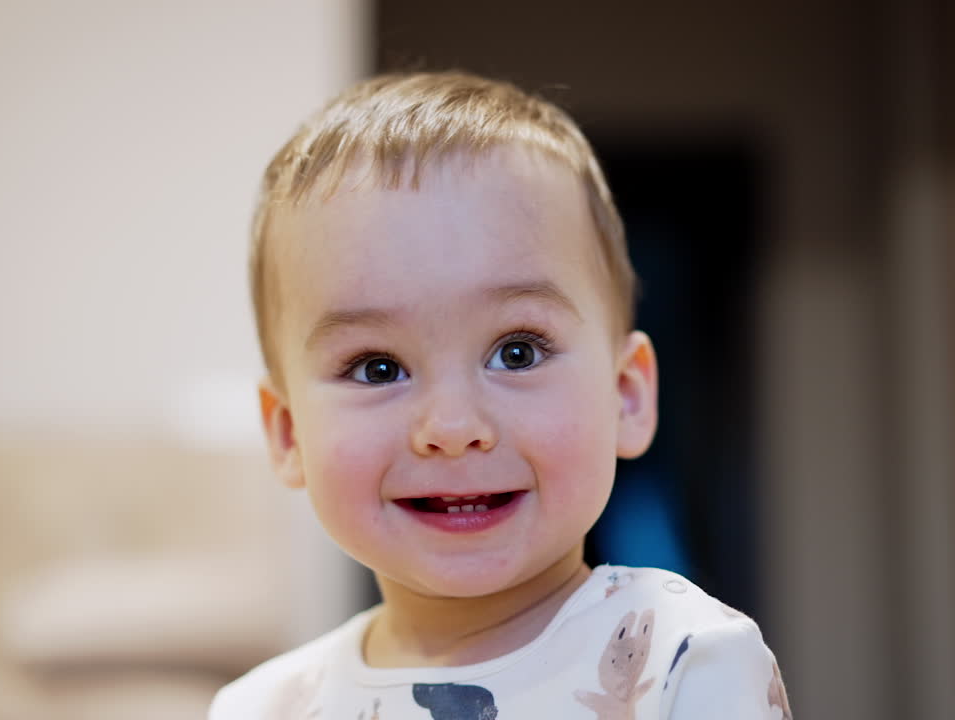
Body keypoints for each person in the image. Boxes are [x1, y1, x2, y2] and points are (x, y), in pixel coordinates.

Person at [209, 71, 792, 720]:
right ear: (289, 434)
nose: (453, 426)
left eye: (517, 352)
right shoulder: (261, 708)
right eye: (377, 367)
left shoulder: (682, 662)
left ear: (625, 396)